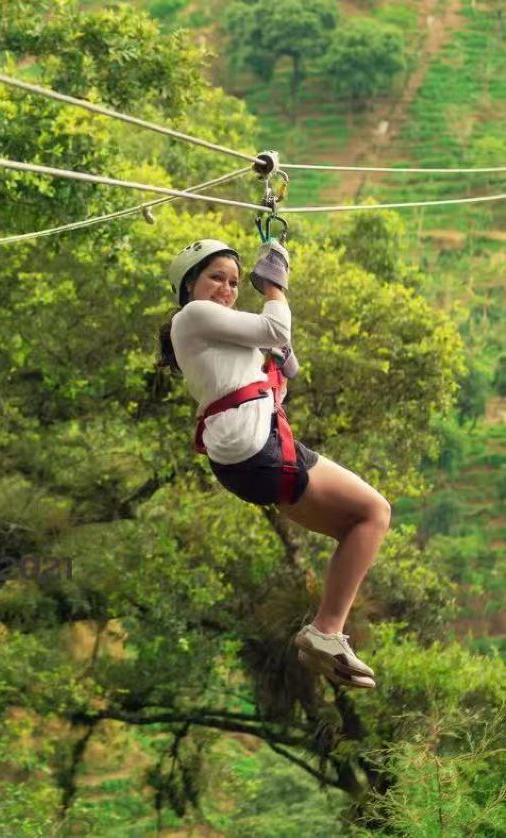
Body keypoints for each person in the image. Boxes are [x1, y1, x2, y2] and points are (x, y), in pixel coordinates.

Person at [158, 239, 391, 689]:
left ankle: (327, 633)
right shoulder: (192, 315)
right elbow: (274, 327)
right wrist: (275, 287)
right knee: (374, 512)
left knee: (358, 528)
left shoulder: (213, 331)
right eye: (216, 278)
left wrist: (275, 363)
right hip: (256, 452)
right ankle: (325, 631)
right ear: (189, 285)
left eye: (233, 282)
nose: (227, 289)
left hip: (246, 460)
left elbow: (265, 348)